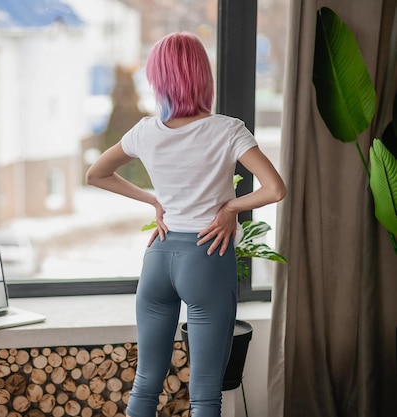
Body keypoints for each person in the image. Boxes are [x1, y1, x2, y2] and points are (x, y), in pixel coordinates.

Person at [85, 32, 286, 417]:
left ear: (158, 79)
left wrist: (152, 199)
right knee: (206, 392)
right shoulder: (228, 129)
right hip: (207, 257)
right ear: (202, 75)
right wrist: (230, 210)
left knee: (145, 382)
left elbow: (96, 174)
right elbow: (275, 189)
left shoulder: (145, 131)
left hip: (159, 259)